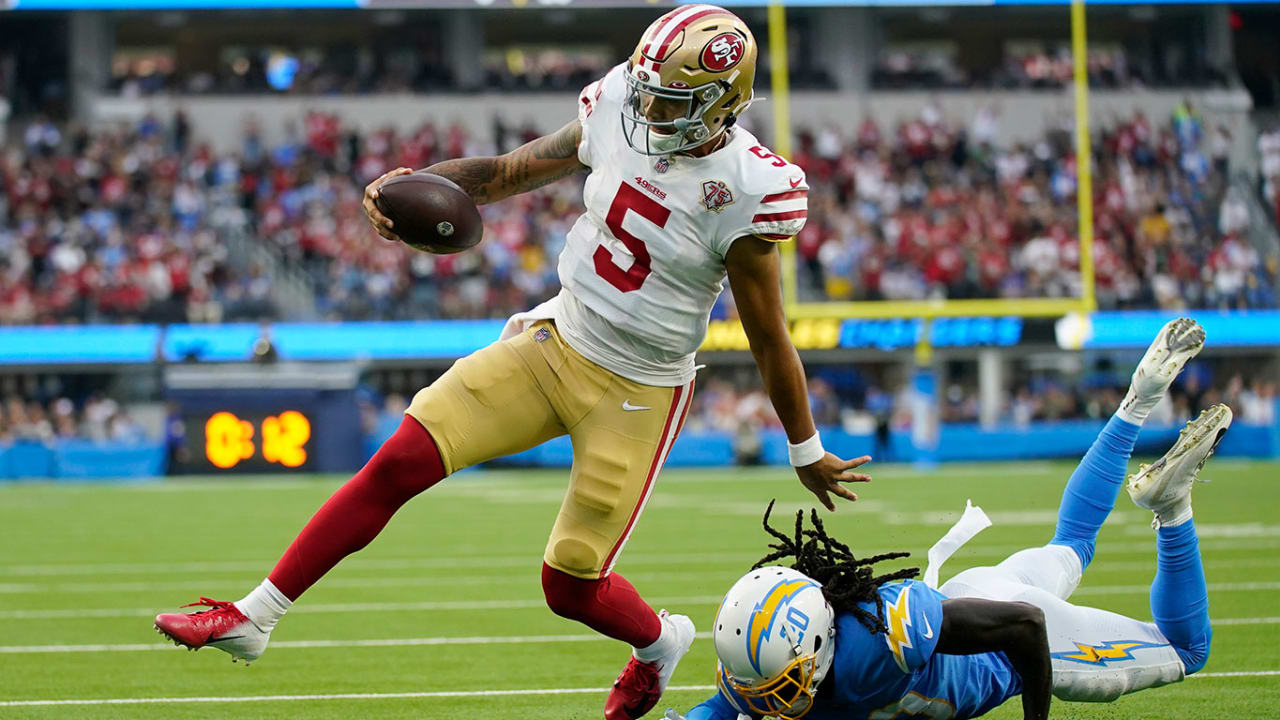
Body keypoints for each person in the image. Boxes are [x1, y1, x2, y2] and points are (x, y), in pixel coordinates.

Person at [153, 6, 872, 719]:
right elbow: (504, 172)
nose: (648, 107)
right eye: (648, 89)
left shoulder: (749, 186)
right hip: (557, 338)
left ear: (722, 100)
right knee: (399, 461)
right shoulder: (621, 101)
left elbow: (769, 335)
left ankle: (658, 645)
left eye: (670, 99)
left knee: (568, 585)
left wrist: (804, 447)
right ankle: (255, 616)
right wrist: (417, 184)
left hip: (640, 388)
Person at [675, 318, 1226, 720]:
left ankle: (1172, 507)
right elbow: (722, 707)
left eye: (778, 685)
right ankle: (1140, 397)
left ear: (818, 647)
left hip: (1019, 639)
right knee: (1074, 542)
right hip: (972, 593)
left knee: (1188, 651)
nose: (765, 701)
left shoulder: (876, 646)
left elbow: (1026, 626)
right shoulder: (764, 656)